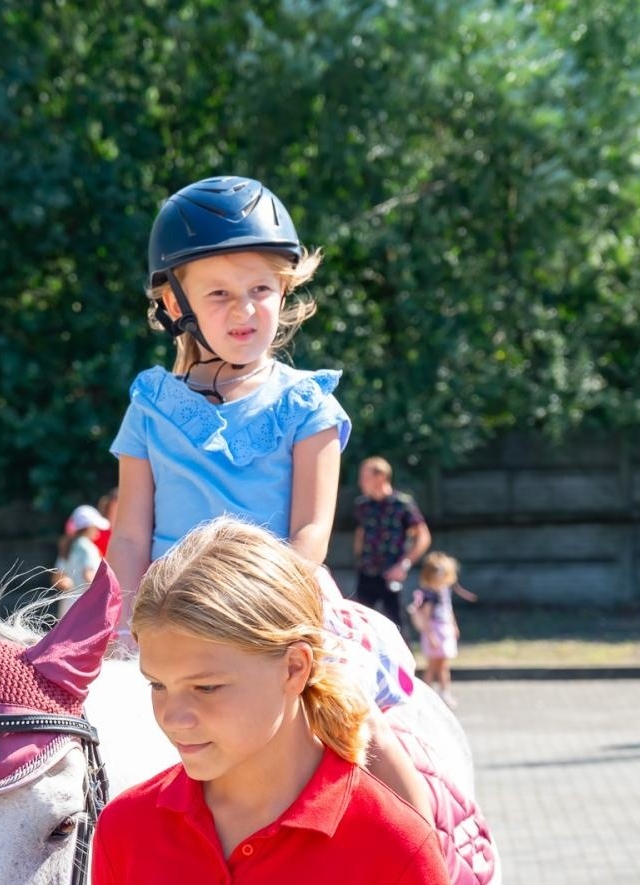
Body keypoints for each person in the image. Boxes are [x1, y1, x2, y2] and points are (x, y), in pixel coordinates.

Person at [103, 175, 433, 823]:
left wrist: (260, 607)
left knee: (360, 723)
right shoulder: (149, 406)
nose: (245, 310)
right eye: (220, 294)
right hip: (171, 613)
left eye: (262, 291)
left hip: (280, 604)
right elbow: (133, 534)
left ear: (285, 293)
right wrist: (112, 627)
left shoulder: (307, 405)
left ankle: (432, 859)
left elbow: (310, 531)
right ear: (176, 303)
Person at [84, 518, 468, 885]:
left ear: (294, 667)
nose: (174, 717)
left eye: (207, 686)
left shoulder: (393, 849)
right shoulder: (127, 827)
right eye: (158, 686)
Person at [352, 457, 431, 631]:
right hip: (367, 573)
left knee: (398, 625)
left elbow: (423, 536)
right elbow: (361, 533)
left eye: (365, 477)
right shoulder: (363, 505)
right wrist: (359, 560)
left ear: (380, 476)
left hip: (392, 574)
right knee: (361, 624)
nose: (360, 482)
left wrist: (404, 564)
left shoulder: (402, 504)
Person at [408, 551, 475, 708]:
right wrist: (430, 635)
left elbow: (448, 611)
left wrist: (454, 625)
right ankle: (425, 694)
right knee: (433, 666)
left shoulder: (443, 591)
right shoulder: (430, 595)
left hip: (445, 630)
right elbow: (426, 617)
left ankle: (444, 692)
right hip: (435, 631)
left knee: (443, 665)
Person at [51, 503, 112, 610]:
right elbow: (89, 575)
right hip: (84, 606)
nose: (98, 530)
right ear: (88, 527)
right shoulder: (88, 547)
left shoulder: (68, 546)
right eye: (95, 527)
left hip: (68, 604)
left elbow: (57, 577)